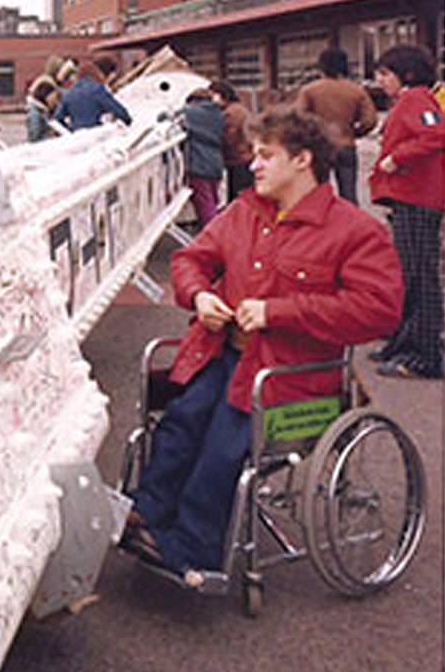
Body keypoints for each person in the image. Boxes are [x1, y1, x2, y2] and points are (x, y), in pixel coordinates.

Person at [123, 107, 402, 576]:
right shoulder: (243, 213)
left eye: (265, 155)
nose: (253, 165)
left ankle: (192, 550)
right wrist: (201, 295)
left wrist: (279, 312)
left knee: (223, 444)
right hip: (223, 355)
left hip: (291, 375)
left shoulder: (356, 232)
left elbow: (379, 311)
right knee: (179, 424)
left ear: (302, 160)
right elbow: (191, 260)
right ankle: (145, 514)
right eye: (254, 155)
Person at [368, 45, 444, 379]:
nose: (380, 80)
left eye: (386, 73)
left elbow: (436, 134)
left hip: (418, 197)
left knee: (419, 275)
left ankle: (425, 354)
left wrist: (397, 158)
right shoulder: (414, 100)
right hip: (413, 197)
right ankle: (405, 342)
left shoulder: (415, 99)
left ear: (407, 74)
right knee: (411, 273)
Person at [294, 47, 377, 204]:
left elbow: (299, 118)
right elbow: (370, 120)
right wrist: (355, 132)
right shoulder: (356, 91)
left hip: (320, 146)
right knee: (349, 193)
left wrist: (311, 136)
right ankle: (352, 225)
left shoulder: (309, 90)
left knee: (318, 191)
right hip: (346, 145)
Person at [182, 88, 226, 228]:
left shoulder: (190, 113)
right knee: (213, 201)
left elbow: (165, 117)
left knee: (205, 206)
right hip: (216, 163)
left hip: (198, 164)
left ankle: (214, 238)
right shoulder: (218, 114)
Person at [55, 56, 132, 130]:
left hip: (76, 137)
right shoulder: (97, 90)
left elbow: (57, 119)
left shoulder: (69, 93)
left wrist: (70, 129)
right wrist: (128, 121)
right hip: (95, 135)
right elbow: (120, 112)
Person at [210, 80, 254, 198]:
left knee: (238, 194)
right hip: (244, 155)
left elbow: (230, 136)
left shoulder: (230, 113)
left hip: (237, 157)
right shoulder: (239, 109)